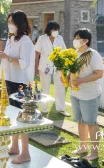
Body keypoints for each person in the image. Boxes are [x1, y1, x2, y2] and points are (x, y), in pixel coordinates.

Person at [0, 10, 35, 164]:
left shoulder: (25, 40)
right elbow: (8, 58)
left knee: (22, 117)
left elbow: (25, 63)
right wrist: (1, 56)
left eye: (12, 22)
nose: (9, 24)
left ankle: (25, 152)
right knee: (12, 114)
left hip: (20, 82)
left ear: (20, 24)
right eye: (9, 21)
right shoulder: (11, 38)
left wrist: (8, 58)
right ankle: (14, 146)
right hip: (9, 79)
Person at [70, 28, 103, 160]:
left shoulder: (93, 54)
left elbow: (100, 73)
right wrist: (66, 78)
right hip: (75, 94)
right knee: (80, 122)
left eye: (78, 38)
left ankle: (94, 153)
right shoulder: (74, 53)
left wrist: (82, 80)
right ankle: (83, 146)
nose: (75, 41)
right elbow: (71, 70)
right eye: (75, 38)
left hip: (90, 95)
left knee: (91, 123)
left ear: (86, 40)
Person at [35, 21, 70, 116]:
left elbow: (64, 52)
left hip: (58, 66)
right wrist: (36, 68)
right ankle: (44, 108)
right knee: (44, 87)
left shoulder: (60, 38)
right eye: (54, 29)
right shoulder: (42, 39)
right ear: (49, 30)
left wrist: (65, 67)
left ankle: (61, 109)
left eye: (57, 29)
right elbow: (37, 53)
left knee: (60, 88)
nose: (55, 31)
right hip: (44, 67)